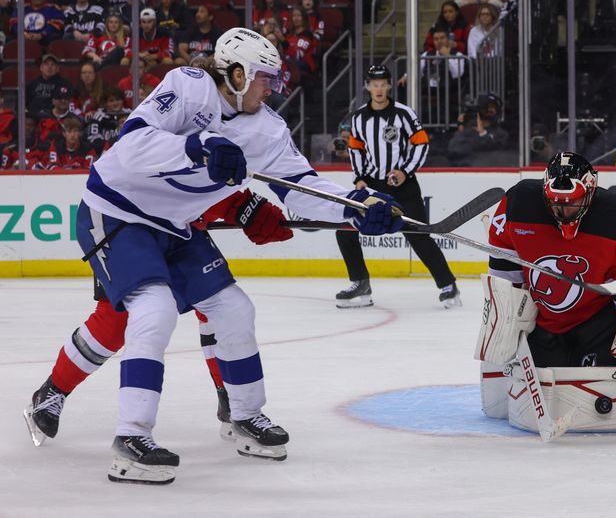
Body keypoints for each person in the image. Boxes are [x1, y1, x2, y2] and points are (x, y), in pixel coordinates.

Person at [52, 27, 404, 485]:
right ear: (236, 73)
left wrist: (360, 210)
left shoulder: (268, 128)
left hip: (175, 226)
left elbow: (304, 186)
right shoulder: (187, 86)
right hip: (116, 211)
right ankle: (130, 438)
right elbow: (132, 144)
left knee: (234, 309)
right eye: (265, 79)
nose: (272, 88)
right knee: (154, 309)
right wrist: (196, 145)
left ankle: (245, 417)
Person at [481, 152, 616, 421]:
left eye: (572, 202)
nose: (563, 212)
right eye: (556, 203)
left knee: (601, 382)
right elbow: (503, 255)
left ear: (590, 191)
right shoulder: (519, 203)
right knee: (527, 370)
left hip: (597, 325)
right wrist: (510, 312)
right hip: (544, 323)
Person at [335, 65, 461, 309]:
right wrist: (359, 178)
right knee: (345, 230)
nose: (379, 89)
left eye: (383, 84)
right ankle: (360, 284)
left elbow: (421, 143)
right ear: (367, 86)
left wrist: (405, 171)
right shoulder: (359, 117)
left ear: (390, 85)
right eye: (375, 84)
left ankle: (448, 286)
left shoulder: (403, 113)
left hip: (403, 185)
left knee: (419, 236)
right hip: (372, 187)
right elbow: (356, 148)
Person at [26, 54, 74, 119]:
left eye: (53, 64)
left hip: (54, 117)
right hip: (33, 118)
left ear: (57, 69)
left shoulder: (64, 84)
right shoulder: (32, 85)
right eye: (46, 64)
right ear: (41, 68)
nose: (49, 67)